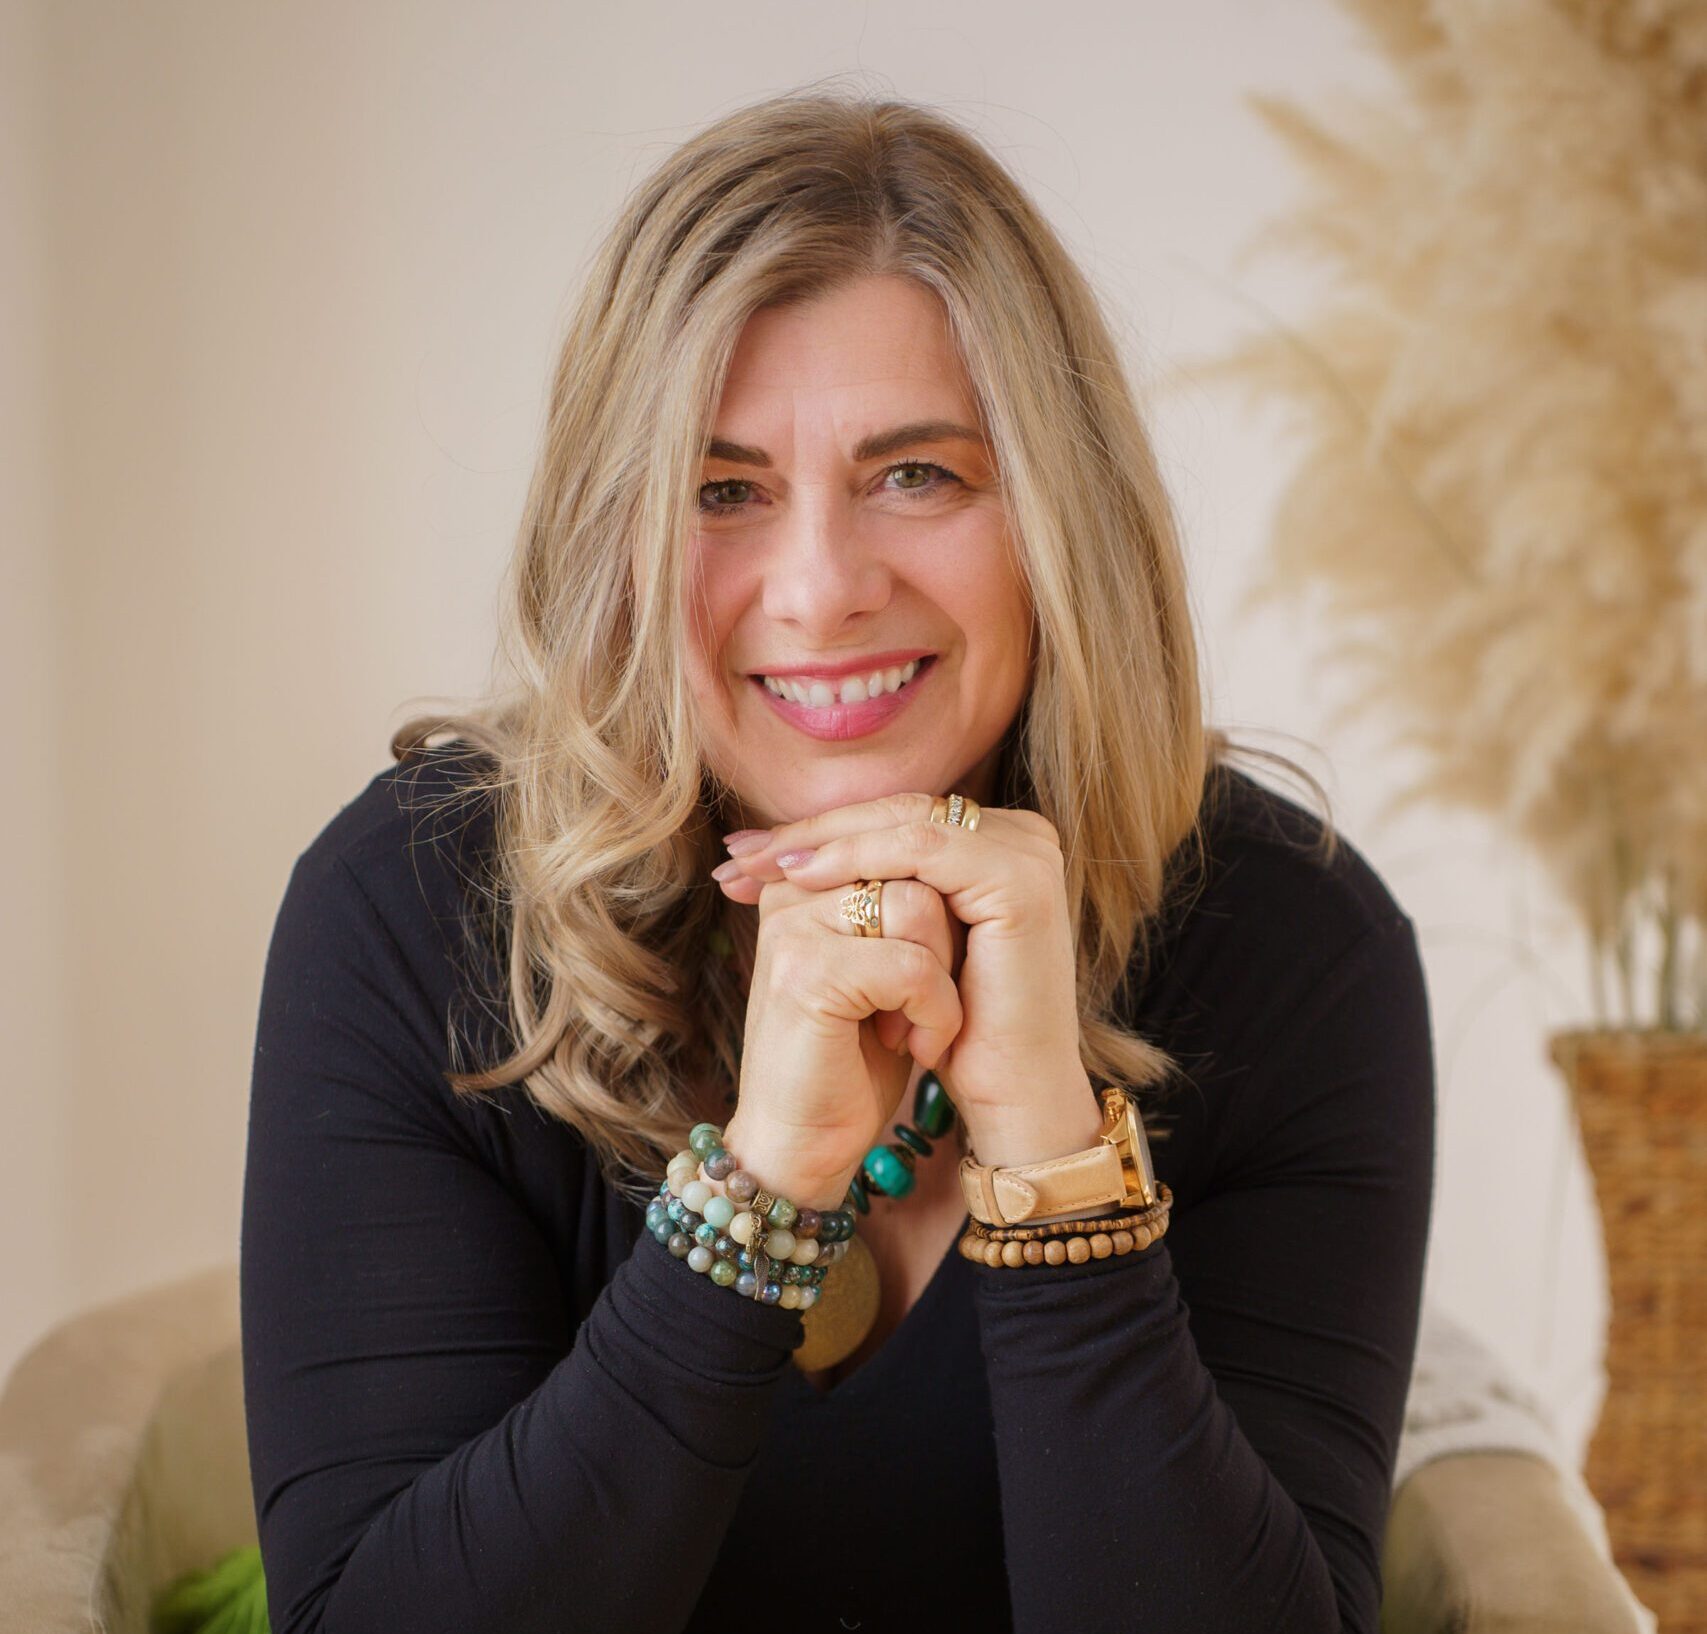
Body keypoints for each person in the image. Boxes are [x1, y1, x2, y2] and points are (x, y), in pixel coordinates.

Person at [240, 90, 1435, 1634]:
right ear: (616, 540)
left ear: (1058, 520)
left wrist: (1048, 1151)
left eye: (916, 474)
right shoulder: (416, 910)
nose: (818, 589)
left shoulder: (1292, 939)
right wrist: (762, 1192)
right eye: (723, 490)